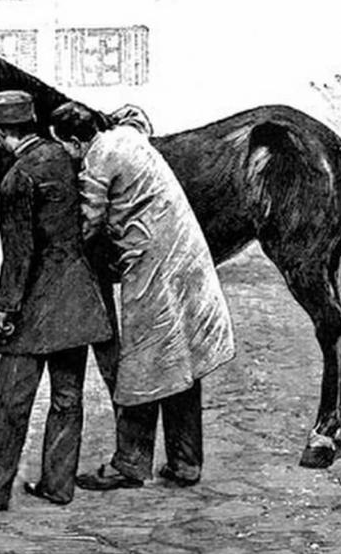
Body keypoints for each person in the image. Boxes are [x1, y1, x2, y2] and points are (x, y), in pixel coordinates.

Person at [50, 101, 236, 490]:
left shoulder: (97, 161)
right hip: (187, 256)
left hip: (152, 263)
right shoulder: (126, 136)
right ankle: (185, 461)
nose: (67, 156)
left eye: (65, 147)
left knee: (143, 361)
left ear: (73, 140)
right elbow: (137, 117)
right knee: (182, 357)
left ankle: (131, 464)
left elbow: (88, 225)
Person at [0, 90, 112, 512]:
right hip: (77, 297)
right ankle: (58, 486)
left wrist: (6, 309)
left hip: (37, 304)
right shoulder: (63, 157)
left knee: (10, 400)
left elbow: (19, 255)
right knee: (67, 397)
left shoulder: (19, 178)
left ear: (1, 133)